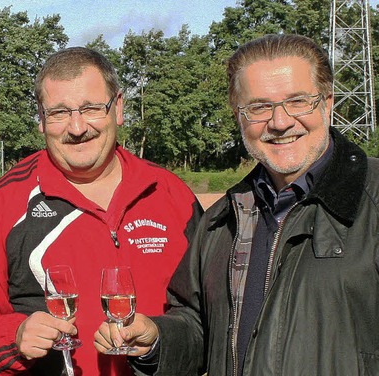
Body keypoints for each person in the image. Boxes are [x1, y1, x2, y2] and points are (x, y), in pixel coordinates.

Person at [96, 33, 379, 376]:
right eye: (259, 107)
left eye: (298, 101)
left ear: (328, 102)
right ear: (237, 115)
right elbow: (197, 324)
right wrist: (158, 340)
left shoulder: (371, 200)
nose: (280, 121)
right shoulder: (222, 219)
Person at [0, 47, 202, 375]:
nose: (77, 128)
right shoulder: (3, 203)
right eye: (60, 112)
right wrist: (12, 335)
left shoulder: (173, 197)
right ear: (41, 117)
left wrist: (160, 340)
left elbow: (209, 320)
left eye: (91, 108)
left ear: (118, 108)